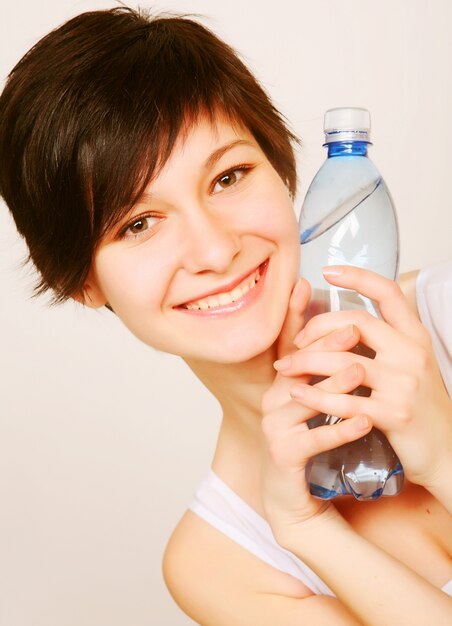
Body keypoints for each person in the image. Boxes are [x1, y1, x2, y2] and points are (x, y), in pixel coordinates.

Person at [0, 7, 451, 625]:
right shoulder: (219, 565)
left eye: (229, 177)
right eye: (139, 223)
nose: (215, 251)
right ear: (79, 281)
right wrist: (308, 530)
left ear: (282, 168)